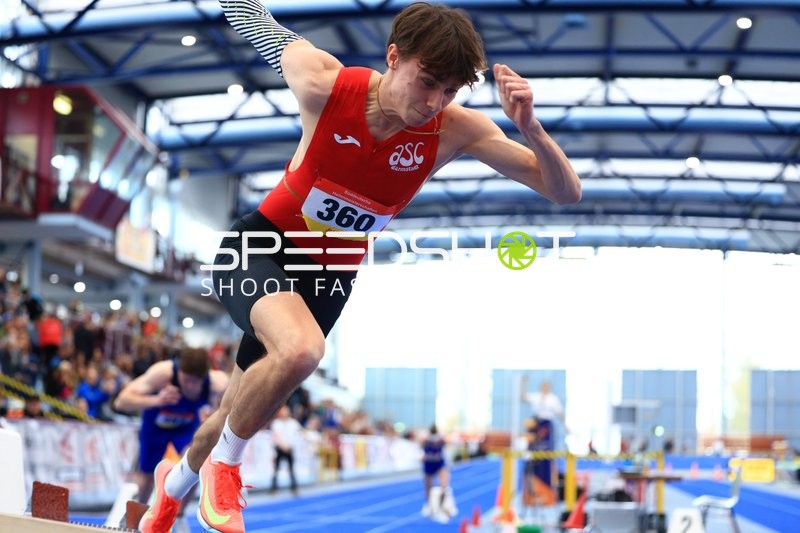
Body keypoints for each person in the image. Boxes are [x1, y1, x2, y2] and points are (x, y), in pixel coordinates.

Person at [140, 1, 581, 531]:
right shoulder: (324, 84)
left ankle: (168, 496)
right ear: (394, 57)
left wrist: (529, 127)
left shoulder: (454, 129)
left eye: (450, 92)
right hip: (261, 248)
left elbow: (564, 191)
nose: (435, 102)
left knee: (228, 414)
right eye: (428, 82)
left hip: (327, 283)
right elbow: (264, 26)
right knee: (303, 350)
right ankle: (226, 470)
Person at [113, 347, 228, 513]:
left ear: (204, 377)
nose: (189, 386)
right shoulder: (163, 373)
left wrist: (214, 414)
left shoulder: (218, 383)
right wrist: (156, 399)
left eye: (195, 382)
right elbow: (121, 402)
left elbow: (233, 412)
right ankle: (137, 513)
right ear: (179, 371)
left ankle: (178, 513)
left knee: (196, 462)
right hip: (155, 427)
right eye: (186, 379)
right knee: (146, 477)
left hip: (186, 428)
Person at [520, 377, 566, 497]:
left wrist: (566, 425)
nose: (544, 388)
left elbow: (560, 413)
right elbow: (523, 397)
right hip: (536, 426)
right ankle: (531, 488)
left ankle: (547, 487)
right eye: (543, 386)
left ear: (549, 387)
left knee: (547, 457)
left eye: (546, 386)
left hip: (547, 428)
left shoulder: (553, 399)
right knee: (532, 457)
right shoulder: (536, 397)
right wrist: (523, 384)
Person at [421, 424, 457, 522]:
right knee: (429, 487)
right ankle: (429, 506)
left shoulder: (440, 440)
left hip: (438, 464)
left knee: (443, 486)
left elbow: (448, 441)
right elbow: (421, 443)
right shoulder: (426, 440)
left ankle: (444, 507)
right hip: (429, 464)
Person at [268, 404, 302, 495]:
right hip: (280, 449)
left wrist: (291, 446)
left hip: (290, 449)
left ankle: (294, 488)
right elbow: (276, 436)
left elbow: (299, 433)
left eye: (286, 411)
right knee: (276, 469)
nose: (285, 413)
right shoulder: (276, 423)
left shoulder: (293, 423)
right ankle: (273, 488)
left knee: (291, 469)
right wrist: (283, 446)